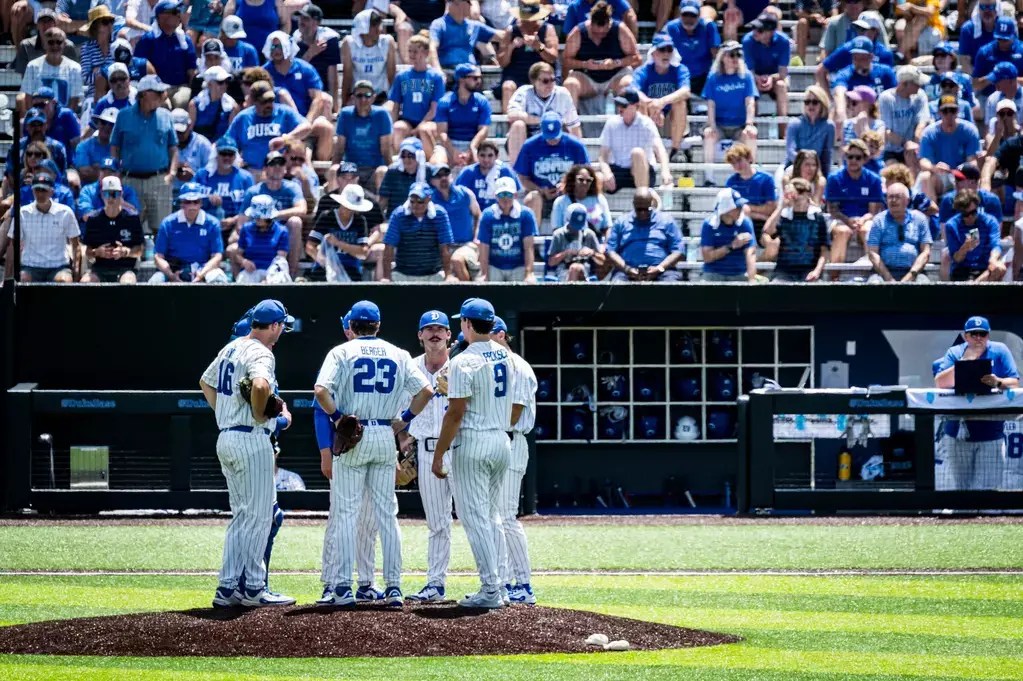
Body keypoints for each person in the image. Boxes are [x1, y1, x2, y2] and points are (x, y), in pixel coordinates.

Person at [314, 300, 433, 607]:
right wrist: (404, 419)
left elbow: (320, 391)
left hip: (353, 433)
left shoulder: (341, 351)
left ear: (351, 326)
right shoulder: (399, 353)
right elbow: (427, 391)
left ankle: (342, 587)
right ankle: (393, 587)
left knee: (346, 512)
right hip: (383, 432)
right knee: (386, 514)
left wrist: (339, 418)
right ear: (378, 325)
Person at [201, 298, 296, 608]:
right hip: (251, 439)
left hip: (227, 437)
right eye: (282, 325)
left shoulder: (233, 347)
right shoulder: (260, 351)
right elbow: (259, 384)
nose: (282, 331)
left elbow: (205, 381)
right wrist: (259, 415)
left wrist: (225, 413)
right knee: (259, 517)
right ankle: (254, 588)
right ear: (275, 325)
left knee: (242, 517)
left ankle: (227, 588)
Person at [430, 296, 516, 609]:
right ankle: (501, 587)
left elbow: (455, 413)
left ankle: (491, 589)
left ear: (466, 323)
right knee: (491, 516)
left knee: (475, 518)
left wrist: (439, 453)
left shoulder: (464, 360)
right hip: (501, 439)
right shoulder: (506, 355)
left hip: (475, 441)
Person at [402, 310, 455, 603]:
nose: (435, 333)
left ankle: (493, 582)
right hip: (424, 447)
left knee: (476, 519)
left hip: (460, 448)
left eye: (440, 328)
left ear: (449, 334)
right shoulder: (409, 367)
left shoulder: (461, 365)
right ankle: (435, 584)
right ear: (420, 335)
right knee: (437, 522)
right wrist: (402, 440)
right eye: (429, 328)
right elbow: (397, 410)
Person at [932, 316, 1020, 490]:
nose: (978, 338)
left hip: (990, 432)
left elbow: (1014, 382)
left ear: (988, 335)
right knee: (960, 488)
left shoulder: (1000, 350)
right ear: (966, 336)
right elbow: (940, 383)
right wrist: (965, 361)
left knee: (988, 489)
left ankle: (983, 518)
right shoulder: (955, 352)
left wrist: (998, 382)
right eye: (974, 334)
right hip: (958, 431)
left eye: (983, 334)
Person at [488, 316, 537, 604]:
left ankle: (522, 584)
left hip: (511, 438)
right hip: (498, 439)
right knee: (496, 516)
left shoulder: (517, 366)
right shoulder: (493, 365)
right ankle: (504, 581)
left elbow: (515, 412)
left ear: (502, 335)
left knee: (505, 515)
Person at [110, 75, 179, 234]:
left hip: (159, 179)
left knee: (161, 228)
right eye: (158, 92)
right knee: (129, 226)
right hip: (130, 180)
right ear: (144, 94)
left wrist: (172, 173)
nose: (163, 95)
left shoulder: (166, 116)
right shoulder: (124, 116)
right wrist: (116, 174)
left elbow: (173, 148)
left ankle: (159, 259)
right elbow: (115, 146)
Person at [562, 1, 641, 114]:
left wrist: (616, 63)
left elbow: (636, 58)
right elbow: (566, 60)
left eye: (604, 33)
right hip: (587, 78)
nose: (600, 36)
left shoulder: (620, 30)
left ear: (609, 24)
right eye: (595, 33)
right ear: (590, 23)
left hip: (615, 77)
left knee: (629, 84)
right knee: (570, 85)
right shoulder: (578, 32)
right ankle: (571, 128)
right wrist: (584, 64)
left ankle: (628, 127)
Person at [0, 173, 80, 283]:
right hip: (30, 267)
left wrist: (76, 273)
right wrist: (8, 277)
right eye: (37, 189)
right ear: (32, 191)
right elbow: (13, 246)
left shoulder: (65, 212)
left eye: (44, 190)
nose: (40, 193)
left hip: (59, 266)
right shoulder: (23, 213)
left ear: (52, 191)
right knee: (22, 279)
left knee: (64, 280)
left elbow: (76, 245)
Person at [240, 150, 307, 277]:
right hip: (258, 231)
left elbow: (302, 209)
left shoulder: (292, 187)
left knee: (295, 222)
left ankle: (291, 275)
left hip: (282, 233)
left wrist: (273, 215)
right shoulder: (254, 191)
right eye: (273, 164)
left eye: (281, 164)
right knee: (235, 239)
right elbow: (242, 221)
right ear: (265, 168)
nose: (277, 167)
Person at [513, 112, 589, 221]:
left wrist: (567, 186)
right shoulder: (529, 146)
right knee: (532, 198)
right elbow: (522, 177)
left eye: (555, 137)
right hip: (541, 196)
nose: (552, 141)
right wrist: (540, 190)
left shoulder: (575, 145)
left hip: (568, 194)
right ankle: (533, 236)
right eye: (549, 137)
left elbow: (585, 173)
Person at [702, 41, 759, 185]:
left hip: (739, 125)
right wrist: (712, 126)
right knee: (709, 135)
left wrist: (749, 124)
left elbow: (750, 102)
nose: (736, 58)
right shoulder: (713, 78)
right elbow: (711, 104)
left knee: (751, 134)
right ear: (722, 57)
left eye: (739, 55)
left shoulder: (746, 76)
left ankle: (752, 174)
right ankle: (709, 177)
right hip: (720, 125)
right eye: (732, 55)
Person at [824, 138, 884, 277]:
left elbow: (873, 211)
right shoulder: (834, 178)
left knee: (867, 229)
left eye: (858, 157)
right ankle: (833, 278)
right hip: (840, 219)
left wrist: (861, 220)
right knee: (842, 232)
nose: (853, 160)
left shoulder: (873, 179)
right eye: (850, 156)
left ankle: (873, 275)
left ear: (865, 159)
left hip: (865, 220)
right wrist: (848, 221)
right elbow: (832, 210)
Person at [226, 80, 311, 175]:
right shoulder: (243, 118)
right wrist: (236, 159)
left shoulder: (284, 112)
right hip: (252, 172)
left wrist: (285, 139)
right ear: (254, 101)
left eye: (271, 100)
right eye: (264, 101)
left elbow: (307, 127)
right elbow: (228, 142)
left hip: (280, 171)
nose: (268, 105)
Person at [505, 61, 582, 167]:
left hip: (555, 138)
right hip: (530, 139)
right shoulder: (523, 92)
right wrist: (543, 120)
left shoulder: (562, 94)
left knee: (567, 130)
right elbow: (512, 115)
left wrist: (579, 153)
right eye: (545, 81)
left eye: (553, 80)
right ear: (534, 81)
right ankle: (517, 172)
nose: (550, 84)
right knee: (518, 125)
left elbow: (574, 126)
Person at [598, 87, 672, 193]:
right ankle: (597, 208)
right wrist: (606, 172)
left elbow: (659, 149)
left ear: (636, 106)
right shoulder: (611, 123)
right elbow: (602, 155)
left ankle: (644, 200)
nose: (620, 108)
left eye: (624, 105)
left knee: (637, 153)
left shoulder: (646, 124)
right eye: (618, 104)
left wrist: (665, 171)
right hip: (619, 170)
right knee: (597, 178)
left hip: (643, 170)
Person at [150, 183, 228, 283]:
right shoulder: (168, 223)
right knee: (156, 279)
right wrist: (171, 275)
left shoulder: (212, 224)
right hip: (174, 270)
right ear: (181, 203)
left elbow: (217, 256)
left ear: (201, 203)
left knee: (218, 278)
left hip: (203, 270)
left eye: (196, 202)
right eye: (188, 202)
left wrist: (201, 274)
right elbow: (158, 257)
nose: (192, 206)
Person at [632, 33, 691, 163]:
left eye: (669, 50)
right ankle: (648, 149)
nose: (666, 54)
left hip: (671, 121)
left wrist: (661, 102)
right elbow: (633, 90)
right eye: (662, 50)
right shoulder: (643, 71)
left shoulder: (680, 69)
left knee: (680, 103)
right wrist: (651, 104)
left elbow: (686, 91)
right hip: (650, 116)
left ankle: (675, 151)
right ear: (653, 53)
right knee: (640, 104)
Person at [386, 34, 446, 160]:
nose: (412, 54)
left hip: (429, 121)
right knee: (398, 128)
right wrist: (391, 125)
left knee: (424, 130)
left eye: (415, 51)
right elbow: (396, 105)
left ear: (425, 52)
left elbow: (434, 109)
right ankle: (401, 161)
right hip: (408, 120)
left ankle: (428, 162)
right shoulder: (402, 76)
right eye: (410, 51)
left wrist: (419, 127)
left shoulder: (435, 77)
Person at [382, 181, 455, 282]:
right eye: (412, 201)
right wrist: (386, 277)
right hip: (403, 274)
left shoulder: (440, 214)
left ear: (429, 199)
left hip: (433, 274)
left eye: (420, 201)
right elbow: (389, 247)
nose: (415, 205)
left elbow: (445, 247)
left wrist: (448, 275)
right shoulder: (398, 214)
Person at [605, 188, 683, 281]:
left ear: (652, 203)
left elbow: (678, 251)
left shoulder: (667, 221)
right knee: (617, 285)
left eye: (646, 209)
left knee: (671, 284)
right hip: (627, 272)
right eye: (639, 209)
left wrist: (659, 268)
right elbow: (610, 251)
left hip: (662, 271)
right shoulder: (621, 222)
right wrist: (627, 269)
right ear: (634, 204)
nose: (643, 213)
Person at [496, 0, 559, 114]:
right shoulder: (511, 31)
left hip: (541, 74)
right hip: (516, 75)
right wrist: (511, 47)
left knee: (545, 83)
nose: (528, 21)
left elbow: (553, 57)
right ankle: (512, 126)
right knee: (507, 87)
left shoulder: (548, 29)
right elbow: (502, 62)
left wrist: (538, 46)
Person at [305, 183, 376, 282]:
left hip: (351, 271)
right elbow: (310, 247)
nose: (350, 210)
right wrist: (328, 265)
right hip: (324, 269)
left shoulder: (360, 221)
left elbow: (363, 253)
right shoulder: (327, 216)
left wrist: (339, 243)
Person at [763, 177, 830, 282]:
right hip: (784, 271)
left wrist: (817, 271)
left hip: (809, 270)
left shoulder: (818, 217)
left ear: (807, 194)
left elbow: (825, 249)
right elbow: (768, 231)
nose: (796, 198)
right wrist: (781, 206)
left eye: (799, 194)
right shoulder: (784, 215)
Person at [918, 95, 981, 203]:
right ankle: (933, 215)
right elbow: (923, 161)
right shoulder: (929, 133)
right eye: (945, 111)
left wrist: (963, 171)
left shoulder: (969, 130)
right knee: (925, 176)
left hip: (962, 175)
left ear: (958, 111)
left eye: (952, 110)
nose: (949, 114)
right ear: (939, 112)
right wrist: (934, 168)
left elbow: (972, 160)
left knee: (974, 175)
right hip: (941, 176)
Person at [81, 175, 144, 284]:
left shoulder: (132, 218)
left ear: (121, 194)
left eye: (114, 194)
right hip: (99, 268)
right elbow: (88, 251)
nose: (110, 198)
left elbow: (139, 250)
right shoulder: (93, 219)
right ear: (101, 195)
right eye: (106, 194)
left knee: (127, 282)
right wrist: (97, 252)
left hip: (125, 268)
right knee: (85, 282)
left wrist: (125, 252)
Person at [133, 1, 196, 110]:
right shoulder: (149, 39)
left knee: (182, 101)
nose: (177, 15)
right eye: (173, 13)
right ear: (161, 18)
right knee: (163, 106)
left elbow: (191, 70)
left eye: (177, 13)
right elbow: (138, 63)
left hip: (180, 87)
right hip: (156, 88)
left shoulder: (185, 40)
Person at [865, 182, 932, 283]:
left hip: (914, 271)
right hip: (883, 272)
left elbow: (925, 252)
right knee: (874, 284)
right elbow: (873, 253)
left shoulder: (920, 219)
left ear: (907, 201)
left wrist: (910, 276)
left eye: (897, 197)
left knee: (924, 285)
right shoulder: (879, 220)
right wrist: (889, 279)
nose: (893, 200)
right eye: (890, 197)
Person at [477, 176, 538, 282]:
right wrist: (484, 274)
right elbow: (484, 247)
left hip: (518, 265)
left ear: (515, 195)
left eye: (509, 194)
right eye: (501, 194)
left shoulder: (526, 215)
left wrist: (529, 273)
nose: (505, 198)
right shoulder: (487, 215)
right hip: (494, 265)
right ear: (496, 196)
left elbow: (528, 247)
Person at [334, 79, 392, 190]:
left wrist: (391, 170)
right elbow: (339, 148)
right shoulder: (345, 114)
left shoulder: (382, 115)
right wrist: (335, 168)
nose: (363, 99)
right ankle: (336, 206)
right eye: (359, 95)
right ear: (353, 98)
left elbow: (386, 150)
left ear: (374, 97)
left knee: (383, 171)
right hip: (350, 169)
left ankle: (380, 208)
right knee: (333, 170)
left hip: (374, 168)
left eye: (367, 95)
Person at [429, 162, 482, 282]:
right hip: (442, 248)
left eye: (446, 174)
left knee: (457, 260)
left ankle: (469, 296)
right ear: (432, 181)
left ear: (451, 176)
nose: (443, 178)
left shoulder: (466, 194)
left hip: (466, 245)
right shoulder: (430, 200)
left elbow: (478, 215)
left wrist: (476, 237)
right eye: (439, 175)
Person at [436, 63, 492, 170]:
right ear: (462, 79)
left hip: (474, 142)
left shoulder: (482, 101)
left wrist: (472, 148)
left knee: (481, 162)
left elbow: (483, 130)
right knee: (437, 163)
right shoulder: (445, 101)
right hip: (450, 143)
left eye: (480, 78)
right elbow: (442, 132)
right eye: (475, 78)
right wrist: (453, 152)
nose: (479, 81)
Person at [742, 13, 790, 137]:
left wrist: (771, 78)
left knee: (781, 86)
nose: (755, 32)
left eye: (760, 30)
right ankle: (752, 133)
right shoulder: (747, 41)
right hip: (755, 78)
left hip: (776, 78)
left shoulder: (783, 41)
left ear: (771, 32)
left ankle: (782, 134)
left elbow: (783, 73)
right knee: (751, 88)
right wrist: (759, 78)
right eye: (755, 28)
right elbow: (749, 71)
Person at [943, 189, 1005, 282]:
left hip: (984, 268)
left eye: (973, 212)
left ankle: (973, 287)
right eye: (966, 214)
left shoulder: (989, 221)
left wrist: (993, 259)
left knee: (1000, 268)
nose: (970, 217)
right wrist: (965, 248)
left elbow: (995, 245)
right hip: (963, 270)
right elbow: (956, 259)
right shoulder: (952, 225)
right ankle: (974, 287)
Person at [724, 143, 777, 252]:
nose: (737, 165)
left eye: (739, 160)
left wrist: (748, 209)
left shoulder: (766, 179)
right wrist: (755, 213)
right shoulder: (731, 182)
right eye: (733, 163)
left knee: (773, 247)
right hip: (740, 223)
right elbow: (731, 210)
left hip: (763, 224)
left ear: (749, 158)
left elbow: (771, 208)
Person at [878, 66, 932, 172]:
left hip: (913, 148)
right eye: (916, 83)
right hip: (891, 150)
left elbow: (922, 122)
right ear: (904, 84)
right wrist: (906, 143)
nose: (919, 85)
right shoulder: (886, 98)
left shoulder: (920, 95)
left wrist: (915, 146)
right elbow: (887, 131)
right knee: (896, 174)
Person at [341, 10, 397, 109]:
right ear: (362, 27)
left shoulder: (388, 42)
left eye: (378, 24)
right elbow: (347, 76)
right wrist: (344, 104)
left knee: (388, 111)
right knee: (348, 111)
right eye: (373, 25)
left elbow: (392, 76)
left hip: (381, 95)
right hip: (357, 95)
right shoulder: (349, 43)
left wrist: (393, 101)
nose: (379, 29)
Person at [664, 0, 720, 98]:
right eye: (685, 15)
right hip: (678, 77)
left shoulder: (708, 27)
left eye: (693, 15)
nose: (688, 19)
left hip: (704, 76)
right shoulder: (671, 28)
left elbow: (716, 55)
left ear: (699, 15)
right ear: (680, 14)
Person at [699, 188, 757, 282]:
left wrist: (752, 281)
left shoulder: (745, 222)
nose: (741, 209)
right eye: (738, 207)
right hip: (713, 273)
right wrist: (731, 246)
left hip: (739, 274)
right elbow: (707, 258)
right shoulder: (709, 225)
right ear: (727, 208)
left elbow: (751, 253)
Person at [19, 28, 83, 113]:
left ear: (64, 44)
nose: (55, 46)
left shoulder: (74, 68)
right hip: (39, 118)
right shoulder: (32, 66)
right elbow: (28, 99)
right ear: (44, 45)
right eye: (51, 42)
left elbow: (74, 102)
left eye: (59, 42)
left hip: (63, 119)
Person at [292, 4, 341, 116]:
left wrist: (336, 108)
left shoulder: (329, 40)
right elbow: (293, 69)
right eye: (300, 18)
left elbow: (333, 76)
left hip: (322, 92)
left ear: (317, 22)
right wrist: (310, 53)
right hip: (300, 90)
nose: (301, 21)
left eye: (306, 19)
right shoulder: (294, 40)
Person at [234, 194, 292, 283]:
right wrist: (244, 261)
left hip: (273, 272)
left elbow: (280, 258)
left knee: (280, 278)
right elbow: (238, 255)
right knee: (243, 280)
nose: (257, 219)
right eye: (255, 216)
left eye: (259, 217)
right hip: (252, 272)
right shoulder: (246, 228)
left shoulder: (281, 231)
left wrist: (269, 279)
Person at [430, 0, 501, 70]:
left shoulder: (475, 26)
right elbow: (432, 48)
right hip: (448, 71)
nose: (471, 5)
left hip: (471, 73)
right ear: (457, 2)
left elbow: (502, 36)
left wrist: (511, 28)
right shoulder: (439, 24)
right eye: (469, 2)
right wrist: (437, 70)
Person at [456, 139, 521, 213]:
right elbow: (458, 196)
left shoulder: (505, 171)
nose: (486, 159)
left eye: (490, 156)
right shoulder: (468, 172)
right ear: (477, 155)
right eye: (482, 155)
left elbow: (516, 195)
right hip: (473, 216)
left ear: (497, 156)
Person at [550, 164, 612, 238]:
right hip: (569, 245)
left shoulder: (600, 199)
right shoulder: (560, 202)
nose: (585, 183)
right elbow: (557, 230)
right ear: (573, 180)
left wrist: (605, 246)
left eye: (588, 180)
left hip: (595, 246)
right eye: (581, 180)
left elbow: (608, 227)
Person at [12, 10, 79, 77]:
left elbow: (73, 73)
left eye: (49, 21)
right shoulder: (26, 45)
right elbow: (24, 75)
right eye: (42, 21)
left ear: (55, 24)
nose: (46, 25)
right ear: (37, 25)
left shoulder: (68, 46)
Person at [547, 203, 604, 281]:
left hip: (585, 270)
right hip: (563, 271)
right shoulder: (559, 234)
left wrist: (592, 253)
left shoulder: (589, 234)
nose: (576, 229)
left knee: (576, 268)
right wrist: (566, 253)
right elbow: (551, 262)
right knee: (575, 268)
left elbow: (601, 261)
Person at [784, 85, 835, 172]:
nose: (810, 105)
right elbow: (790, 151)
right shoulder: (794, 123)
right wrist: (806, 165)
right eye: (807, 102)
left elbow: (826, 155)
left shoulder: (829, 126)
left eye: (814, 102)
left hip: (816, 170)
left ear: (822, 103)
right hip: (794, 167)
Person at [938, 163, 1002, 232]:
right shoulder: (948, 200)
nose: (955, 182)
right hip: (958, 241)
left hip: (985, 241)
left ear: (973, 182)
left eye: (959, 179)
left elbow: (996, 232)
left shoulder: (991, 200)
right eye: (955, 178)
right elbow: (946, 233)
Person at [378, 137, 428, 218]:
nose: (406, 159)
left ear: (419, 156)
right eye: (403, 155)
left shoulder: (428, 171)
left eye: (411, 155)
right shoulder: (392, 172)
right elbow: (383, 201)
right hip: (395, 221)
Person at [972, 18, 1023, 97]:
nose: (1002, 42)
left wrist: (1010, 79)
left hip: (1018, 96)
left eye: (1005, 39)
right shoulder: (985, 52)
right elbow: (975, 84)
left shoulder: (1021, 49)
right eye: (999, 39)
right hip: (989, 96)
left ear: (1014, 35)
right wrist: (991, 77)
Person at [190, 66, 240, 144]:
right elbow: (190, 132)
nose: (224, 86)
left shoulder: (232, 107)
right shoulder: (194, 105)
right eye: (220, 82)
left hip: (221, 149)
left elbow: (232, 135)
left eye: (226, 82)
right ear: (209, 84)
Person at [223, 0, 288, 59]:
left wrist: (279, 45)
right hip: (242, 54)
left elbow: (285, 24)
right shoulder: (234, 1)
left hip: (270, 54)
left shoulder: (276, 1)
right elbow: (225, 25)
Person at [78, 4, 117, 102]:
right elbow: (86, 78)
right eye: (105, 22)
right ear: (95, 26)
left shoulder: (117, 45)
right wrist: (109, 72)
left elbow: (123, 71)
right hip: (93, 95)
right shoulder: (86, 48)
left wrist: (99, 70)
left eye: (111, 21)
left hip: (117, 92)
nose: (109, 25)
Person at [958, 2, 1000, 72]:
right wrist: (979, 80)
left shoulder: (1005, 27)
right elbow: (965, 63)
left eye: (991, 7)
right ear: (978, 9)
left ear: (997, 9)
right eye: (983, 7)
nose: (987, 11)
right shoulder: (968, 29)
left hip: (1001, 77)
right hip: (976, 76)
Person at [562, 0, 637, 37]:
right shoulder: (574, 6)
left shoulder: (614, 1)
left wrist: (631, 43)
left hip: (614, 47)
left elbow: (630, 16)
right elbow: (569, 35)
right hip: (586, 49)